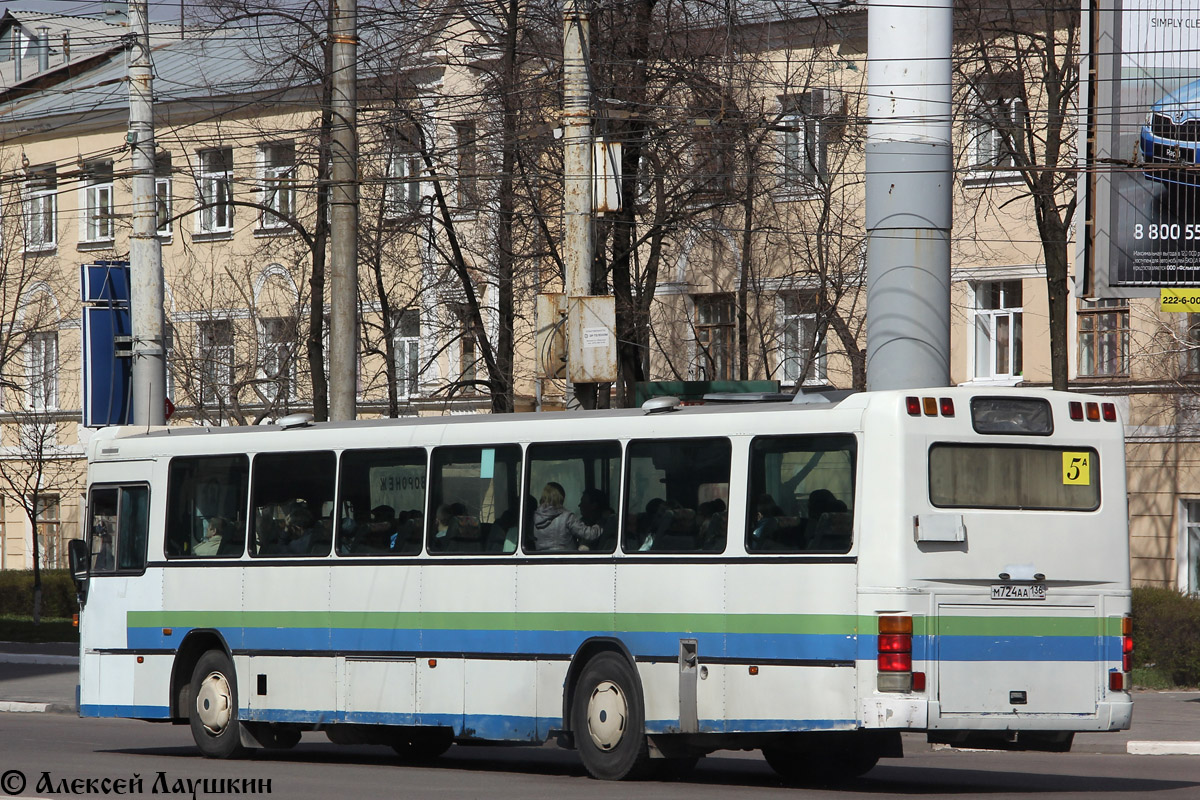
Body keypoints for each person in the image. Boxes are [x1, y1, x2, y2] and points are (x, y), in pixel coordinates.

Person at [533, 482, 602, 551]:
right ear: (561, 497)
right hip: (565, 560)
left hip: (542, 560)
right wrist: (601, 524)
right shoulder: (567, 517)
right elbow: (589, 534)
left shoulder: (535, 517)